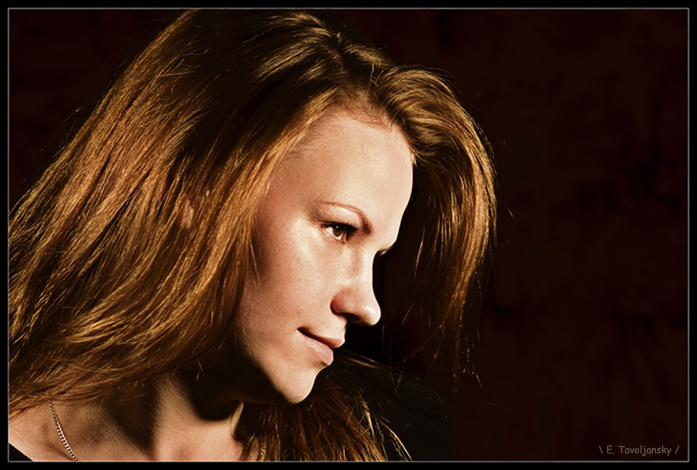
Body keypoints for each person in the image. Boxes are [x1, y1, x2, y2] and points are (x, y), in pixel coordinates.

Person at [9, 9, 496, 461]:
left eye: (379, 254)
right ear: (195, 188)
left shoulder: (396, 439)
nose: (367, 307)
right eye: (339, 230)